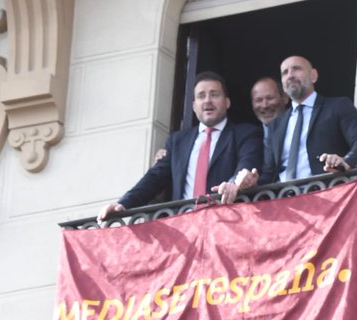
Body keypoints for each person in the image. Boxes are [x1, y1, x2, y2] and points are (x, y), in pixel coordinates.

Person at [97, 71, 263, 221]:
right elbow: (154, 178)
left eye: (214, 94)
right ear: (194, 106)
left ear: (227, 102)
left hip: (229, 222)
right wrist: (123, 204)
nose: (207, 100)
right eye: (201, 96)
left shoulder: (245, 134)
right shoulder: (178, 141)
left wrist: (235, 183)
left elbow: (246, 165)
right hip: (184, 225)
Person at [263, 55, 357, 183]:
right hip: (283, 198)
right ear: (282, 85)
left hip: (325, 194)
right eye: (285, 72)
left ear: (313, 76)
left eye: (297, 69)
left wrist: (345, 162)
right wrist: (247, 182)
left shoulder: (338, 106)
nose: (290, 75)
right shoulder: (275, 125)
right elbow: (268, 174)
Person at [250, 76, 286, 151]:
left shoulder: (299, 131)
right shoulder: (250, 138)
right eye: (259, 100)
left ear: (285, 98)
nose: (265, 105)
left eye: (270, 98)